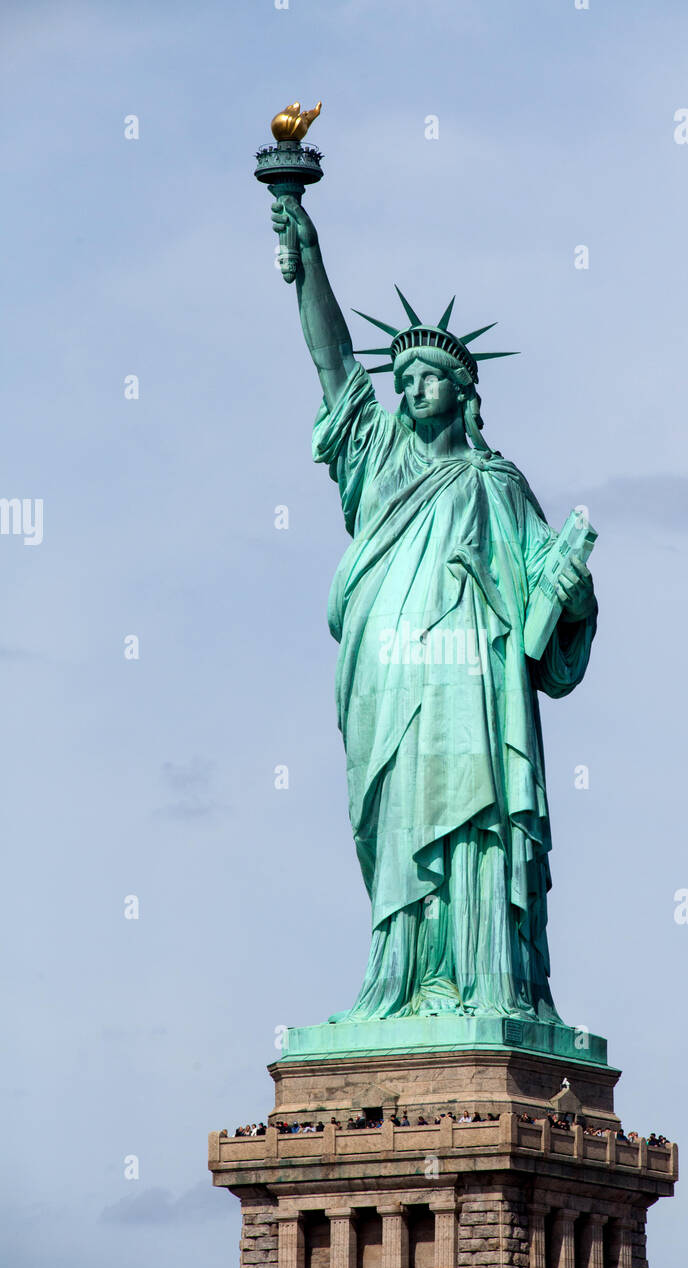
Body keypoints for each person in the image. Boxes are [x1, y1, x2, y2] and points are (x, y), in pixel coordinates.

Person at [270, 199, 598, 1024]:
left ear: (463, 394)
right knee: (401, 817)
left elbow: (545, 610)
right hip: (391, 675)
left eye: (427, 377)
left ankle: (489, 981)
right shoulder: (377, 459)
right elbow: (334, 362)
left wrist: (572, 589)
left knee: (480, 819)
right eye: (403, 377)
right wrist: (306, 251)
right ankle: (403, 978)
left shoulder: (498, 485)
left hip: (476, 685)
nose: (409, 386)